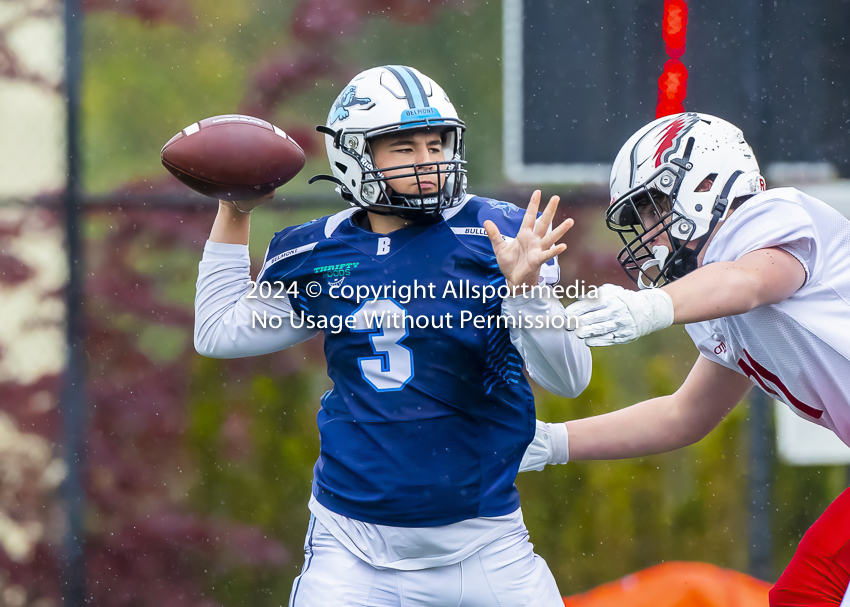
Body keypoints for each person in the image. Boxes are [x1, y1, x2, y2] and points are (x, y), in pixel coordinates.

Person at [194, 65, 591, 606]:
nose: (428, 162)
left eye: (436, 143)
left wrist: (527, 294)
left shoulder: (498, 236)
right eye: (403, 148)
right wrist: (233, 211)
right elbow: (218, 332)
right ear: (354, 156)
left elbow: (571, 379)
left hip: (484, 547)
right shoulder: (318, 250)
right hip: (350, 550)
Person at [519, 112, 850, 606]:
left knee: (808, 591)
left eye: (652, 209)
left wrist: (653, 306)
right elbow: (683, 414)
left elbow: (751, 281)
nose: (646, 233)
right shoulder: (714, 296)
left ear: (706, 182)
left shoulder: (771, 216)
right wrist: (550, 442)